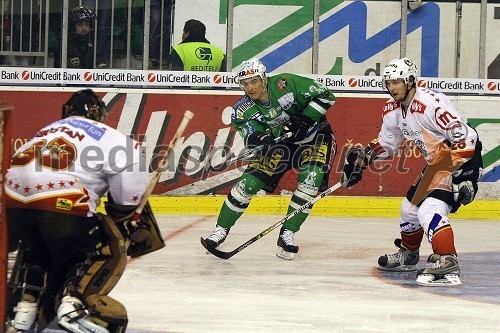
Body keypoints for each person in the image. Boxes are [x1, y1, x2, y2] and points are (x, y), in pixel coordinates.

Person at [4, 89, 162, 332]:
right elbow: (127, 200)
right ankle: (75, 306)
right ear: (99, 115)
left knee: (38, 247)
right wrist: (128, 220)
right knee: (110, 245)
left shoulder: (44, 131)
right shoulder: (113, 138)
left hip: (13, 206)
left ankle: (24, 309)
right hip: (62, 209)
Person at [340, 58, 483, 286]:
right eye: (388, 82)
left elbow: (468, 136)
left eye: (397, 81)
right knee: (409, 210)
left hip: (458, 159)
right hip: (436, 163)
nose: (392, 87)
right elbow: (388, 145)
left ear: (410, 81)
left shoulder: (430, 103)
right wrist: (362, 158)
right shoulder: (392, 109)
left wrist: (466, 175)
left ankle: (447, 259)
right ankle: (409, 255)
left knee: (429, 209)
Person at [202, 58, 337, 260]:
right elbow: (250, 134)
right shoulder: (242, 109)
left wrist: (304, 119)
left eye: (254, 81)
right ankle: (220, 231)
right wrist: (261, 138)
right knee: (247, 184)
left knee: (310, 182)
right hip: (280, 144)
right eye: (245, 84)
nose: (250, 87)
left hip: (315, 138)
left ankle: (287, 234)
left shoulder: (285, 84)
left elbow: (326, 96)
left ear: (264, 78)